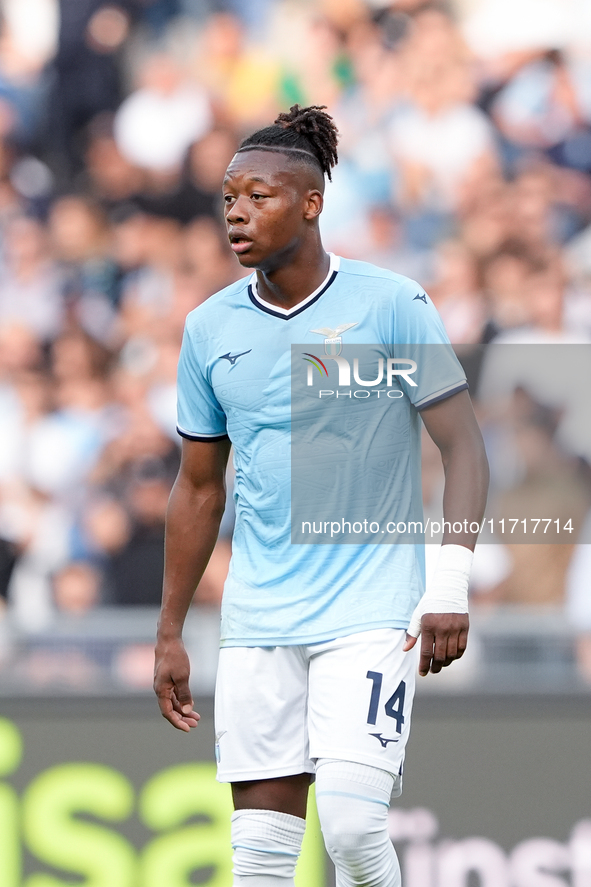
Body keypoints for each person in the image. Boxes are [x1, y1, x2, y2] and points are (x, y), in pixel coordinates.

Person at [154, 105, 489, 887]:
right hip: (258, 619)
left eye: (259, 196)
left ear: (311, 203)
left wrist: (448, 586)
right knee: (262, 861)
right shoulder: (208, 329)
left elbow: (465, 447)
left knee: (350, 825)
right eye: (229, 197)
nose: (237, 212)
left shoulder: (390, 304)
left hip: (371, 613)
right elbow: (198, 488)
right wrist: (170, 626)